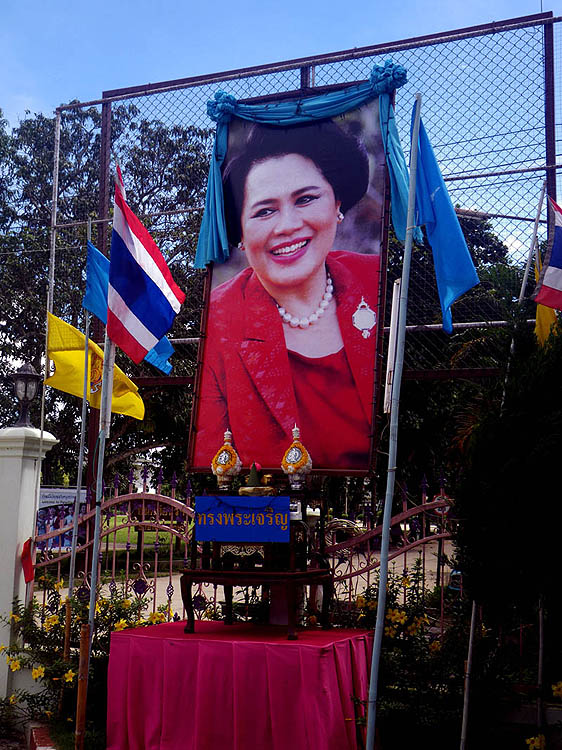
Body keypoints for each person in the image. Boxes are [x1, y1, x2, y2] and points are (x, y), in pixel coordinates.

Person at [192, 121, 382, 470]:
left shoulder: (378, 282)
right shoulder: (219, 318)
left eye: (306, 199)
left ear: (337, 204)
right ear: (241, 233)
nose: (287, 226)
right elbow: (209, 457)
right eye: (265, 211)